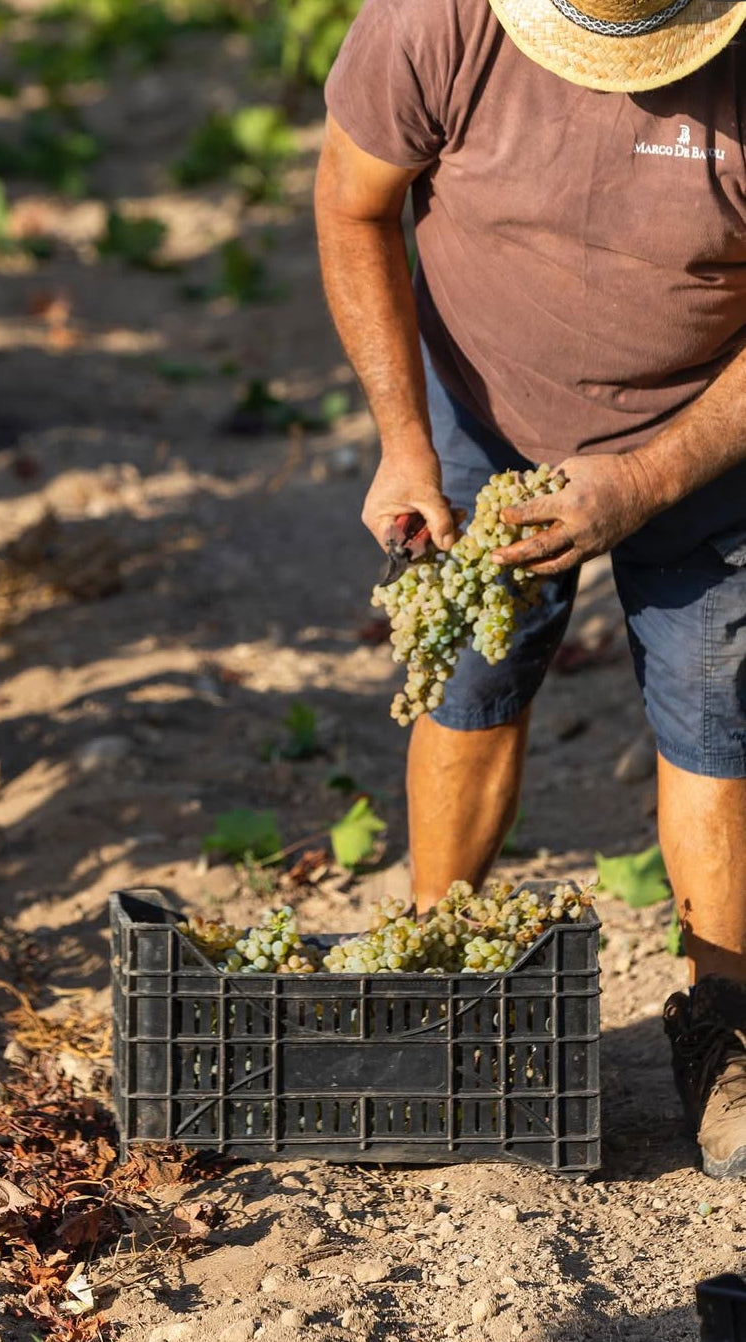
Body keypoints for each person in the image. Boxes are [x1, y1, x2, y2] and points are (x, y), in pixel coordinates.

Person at [315, 0, 746, 1178]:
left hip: (706, 427)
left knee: (716, 714)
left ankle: (726, 1030)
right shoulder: (438, 19)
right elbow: (353, 203)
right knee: (468, 682)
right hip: (478, 406)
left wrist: (648, 476)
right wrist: (403, 440)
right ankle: (433, 976)